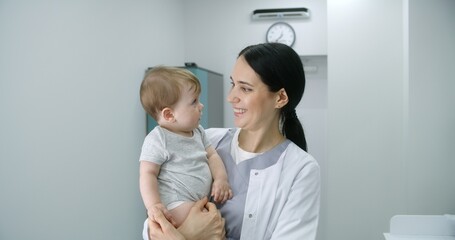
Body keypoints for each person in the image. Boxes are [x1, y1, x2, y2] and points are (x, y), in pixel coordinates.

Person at [145, 43, 321, 240]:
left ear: (280, 98)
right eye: (233, 84)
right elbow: (153, 225)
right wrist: (187, 233)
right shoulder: (204, 140)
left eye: (245, 89)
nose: (231, 97)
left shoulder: (301, 170)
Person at [138, 66, 233, 232]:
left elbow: (212, 156)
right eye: (194, 102)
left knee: (216, 229)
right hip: (176, 203)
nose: (201, 105)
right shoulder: (158, 139)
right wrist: (154, 205)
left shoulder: (198, 131)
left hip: (200, 202)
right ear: (169, 115)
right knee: (211, 230)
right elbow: (148, 173)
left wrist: (221, 179)